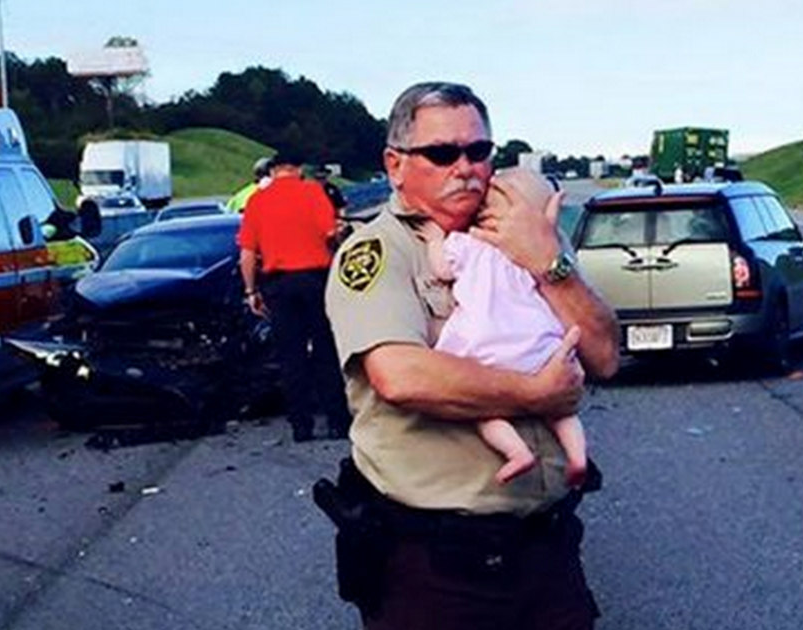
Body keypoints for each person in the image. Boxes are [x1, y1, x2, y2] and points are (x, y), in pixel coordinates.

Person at [320, 81, 620, 629]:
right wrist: (536, 392)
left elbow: (604, 354)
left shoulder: (525, 230)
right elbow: (401, 376)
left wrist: (548, 262)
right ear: (395, 165)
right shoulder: (379, 250)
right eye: (441, 153)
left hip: (546, 548)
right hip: (436, 567)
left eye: (478, 151)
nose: (465, 167)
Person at [417, 176, 587, 487]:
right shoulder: (532, 251)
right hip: (537, 343)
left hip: (484, 344)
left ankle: (516, 452)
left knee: (483, 410)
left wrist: (433, 241)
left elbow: (441, 269)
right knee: (561, 408)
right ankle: (577, 456)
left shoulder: (468, 244)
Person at [238, 151, 352, 442]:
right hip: (316, 280)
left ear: (272, 170)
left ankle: (301, 426)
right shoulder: (313, 193)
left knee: (291, 357)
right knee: (326, 352)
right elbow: (332, 235)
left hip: (278, 284)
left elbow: (247, 254)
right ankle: (338, 421)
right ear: (299, 169)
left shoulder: (257, 201)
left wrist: (251, 290)